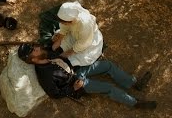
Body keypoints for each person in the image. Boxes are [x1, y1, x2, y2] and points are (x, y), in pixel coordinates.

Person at [17, 44, 157, 109]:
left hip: (77, 71)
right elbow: (55, 94)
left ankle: (134, 83)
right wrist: (74, 88)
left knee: (107, 65)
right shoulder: (44, 75)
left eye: (33, 47)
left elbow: (59, 51)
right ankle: (135, 103)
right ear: (32, 60)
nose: (36, 48)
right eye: (33, 51)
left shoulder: (45, 53)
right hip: (77, 85)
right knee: (109, 87)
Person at [52, 1, 103, 66]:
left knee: (79, 59)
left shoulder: (85, 25)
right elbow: (64, 27)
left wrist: (68, 53)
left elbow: (84, 43)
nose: (63, 24)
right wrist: (59, 40)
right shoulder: (68, 15)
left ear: (71, 21)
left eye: (64, 22)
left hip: (88, 42)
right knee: (57, 35)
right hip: (75, 35)